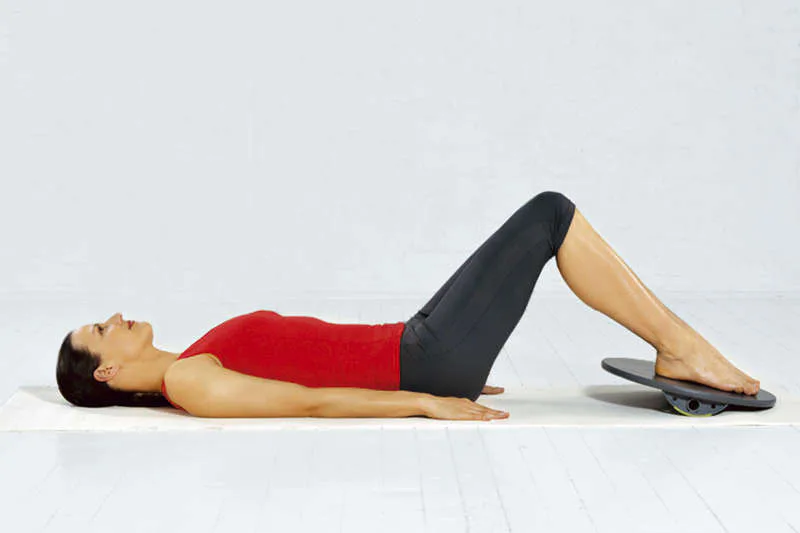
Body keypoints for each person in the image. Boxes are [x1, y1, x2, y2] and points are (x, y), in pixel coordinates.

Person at [57, 191, 760, 420]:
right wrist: (425, 398)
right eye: (100, 329)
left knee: (547, 216)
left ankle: (682, 344)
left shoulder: (193, 356)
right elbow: (306, 403)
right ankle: (682, 347)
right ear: (108, 372)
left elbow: (309, 360)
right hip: (420, 359)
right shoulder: (187, 379)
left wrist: (441, 372)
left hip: (416, 343)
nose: (114, 316)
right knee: (549, 214)